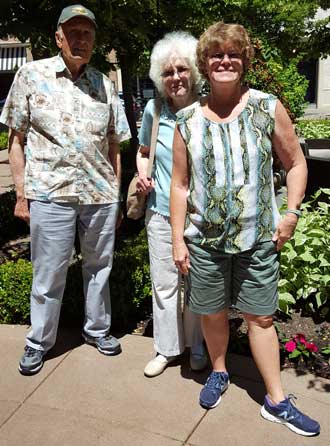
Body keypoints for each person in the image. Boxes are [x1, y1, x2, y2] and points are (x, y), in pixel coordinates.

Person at [170, 22, 320, 436]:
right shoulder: (186, 120)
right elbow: (180, 186)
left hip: (258, 240)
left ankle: (275, 399)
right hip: (204, 242)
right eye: (216, 54)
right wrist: (177, 240)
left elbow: (295, 163)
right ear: (205, 63)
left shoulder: (266, 107)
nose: (225, 60)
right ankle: (219, 371)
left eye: (233, 53)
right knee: (213, 313)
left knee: (261, 318)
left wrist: (290, 213)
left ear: (244, 61)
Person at [0, 4, 131, 375]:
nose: (80, 39)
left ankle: (98, 330)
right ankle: (38, 341)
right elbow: (16, 139)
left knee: (99, 267)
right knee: (49, 272)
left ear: (94, 40)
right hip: (49, 194)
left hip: (99, 196)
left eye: (86, 33)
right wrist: (21, 195)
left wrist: (116, 197)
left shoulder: (105, 84)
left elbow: (113, 146)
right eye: (72, 32)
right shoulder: (30, 75)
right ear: (58, 37)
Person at [136, 32, 207, 377]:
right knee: (164, 283)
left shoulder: (207, 110)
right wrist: (143, 174)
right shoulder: (155, 109)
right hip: (161, 212)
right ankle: (166, 349)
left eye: (181, 69)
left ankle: (196, 346)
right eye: (168, 72)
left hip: (198, 216)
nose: (175, 77)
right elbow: (144, 151)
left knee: (195, 283)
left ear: (193, 71)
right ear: (159, 77)